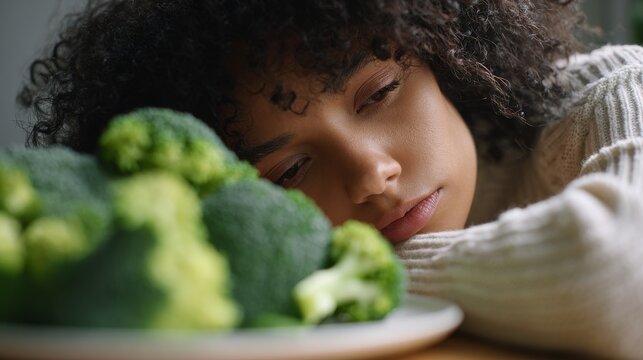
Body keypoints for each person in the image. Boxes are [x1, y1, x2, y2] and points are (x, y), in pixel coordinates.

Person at [17, 0, 643, 358]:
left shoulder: (614, 89)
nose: (372, 174)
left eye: (380, 93)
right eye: (289, 169)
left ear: (445, 54)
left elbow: (613, 273)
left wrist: (350, 269)